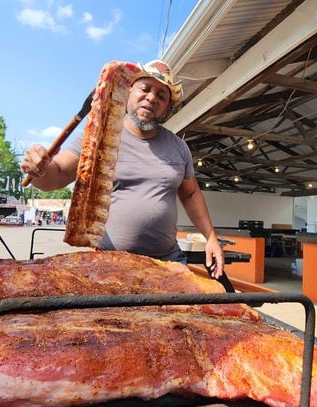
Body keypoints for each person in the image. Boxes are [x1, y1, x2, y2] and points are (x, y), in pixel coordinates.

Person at [21, 60, 224, 278]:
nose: (152, 98)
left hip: (167, 261)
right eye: (144, 89)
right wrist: (40, 170)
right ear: (128, 92)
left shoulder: (178, 147)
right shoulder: (98, 136)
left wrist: (211, 237)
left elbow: (191, 194)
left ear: (167, 108)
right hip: (110, 261)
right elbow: (57, 175)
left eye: (161, 95)